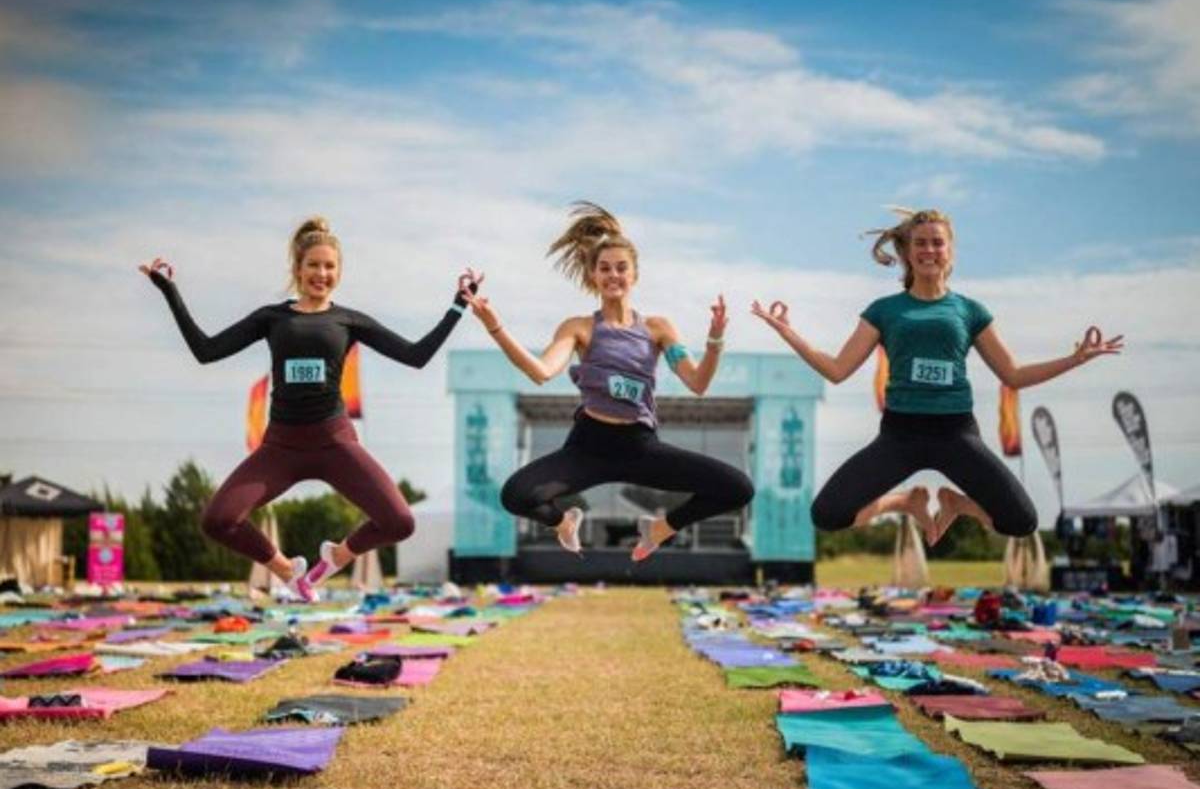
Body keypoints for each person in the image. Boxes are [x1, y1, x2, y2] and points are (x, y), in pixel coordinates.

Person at [140, 216, 479, 599]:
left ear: (339, 271)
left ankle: (337, 555)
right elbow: (206, 350)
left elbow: (416, 356)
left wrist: (458, 305)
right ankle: (286, 569)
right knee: (217, 520)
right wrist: (169, 291)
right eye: (313, 265)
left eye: (329, 266)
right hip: (281, 448)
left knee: (400, 522)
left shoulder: (349, 320)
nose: (322, 273)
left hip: (335, 443)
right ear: (297, 269)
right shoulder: (272, 318)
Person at [751, 207, 1122, 544]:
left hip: (956, 433)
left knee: (1021, 521)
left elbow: (1013, 375)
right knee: (828, 514)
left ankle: (957, 504)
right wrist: (788, 332)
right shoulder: (884, 310)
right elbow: (837, 370)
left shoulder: (969, 311)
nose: (929, 250)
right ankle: (902, 502)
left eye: (937, 243)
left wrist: (1075, 359)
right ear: (907, 253)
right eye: (920, 243)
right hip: (900, 434)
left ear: (950, 251)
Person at [461, 202, 754, 561]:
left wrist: (714, 340)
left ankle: (659, 529)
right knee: (516, 496)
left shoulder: (658, 329)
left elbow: (698, 383)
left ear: (635, 275)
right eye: (604, 268)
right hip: (588, 447)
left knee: (738, 488)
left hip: (641, 448)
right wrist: (495, 326)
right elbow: (541, 371)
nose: (613, 275)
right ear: (593, 276)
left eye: (621, 267)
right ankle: (564, 523)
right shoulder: (579, 328)